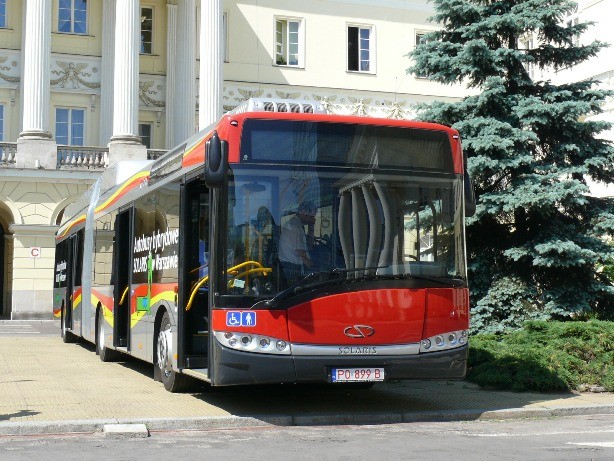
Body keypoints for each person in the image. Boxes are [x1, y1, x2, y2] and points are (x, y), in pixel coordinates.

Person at [279, 201, 315, 284]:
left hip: (292, 266)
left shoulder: (297, 224)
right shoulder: (294, 226)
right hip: (291, 268)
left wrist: (311, 227)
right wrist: (315, 267)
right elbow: (302, 253)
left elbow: (309, 246)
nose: (313, 219)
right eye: (311, 216)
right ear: (304, 212)